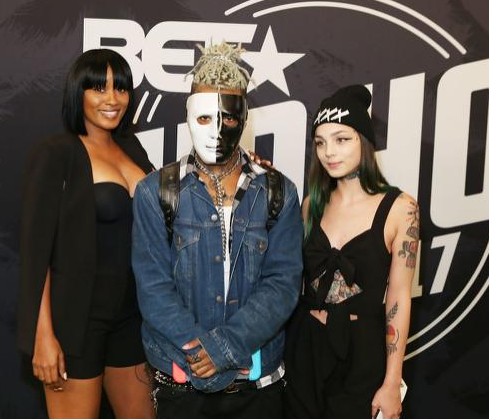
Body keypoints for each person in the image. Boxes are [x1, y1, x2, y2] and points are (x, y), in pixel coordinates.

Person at [132, 41, 304, 419]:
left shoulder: (278, 192)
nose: (216, 131)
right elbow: (152, 287)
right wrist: (199, 350)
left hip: (257, 386)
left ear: (243, 118)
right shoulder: (154, 192)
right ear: (188, 116)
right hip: (181, 380)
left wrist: (222, 348)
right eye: (205, 118)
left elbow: (283, 284)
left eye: (227, 118)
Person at [17, 49, 155, 419]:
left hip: (132, 317)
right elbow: (35, 253)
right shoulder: (57, 153)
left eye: (120, 88)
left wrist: (244, 170)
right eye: (98, 88)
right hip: (76, 323)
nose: (112, 99)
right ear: (78, 93)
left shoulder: (133, 149)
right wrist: (42, 337)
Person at [283, 85, 419, 419]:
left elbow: (399, 298)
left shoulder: (401, 209)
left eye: (342, 139)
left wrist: (392, 381)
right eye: (320, 142)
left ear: (364, 141)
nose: (329, 151)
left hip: (362, 355)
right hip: (305, 350)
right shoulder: (310, 206)